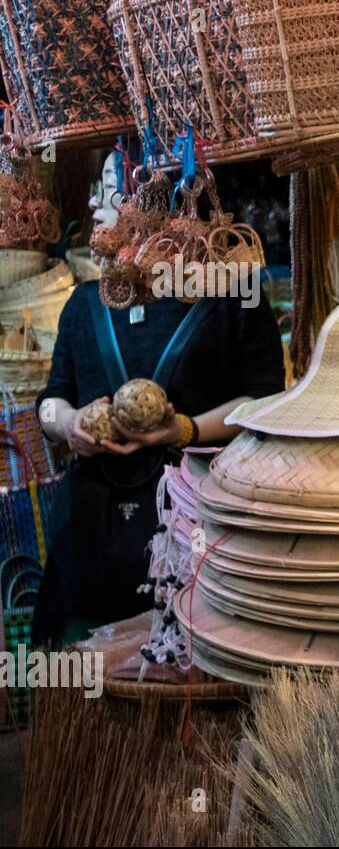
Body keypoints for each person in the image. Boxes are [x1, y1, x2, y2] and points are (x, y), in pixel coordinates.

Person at [33, 153, 286, 646]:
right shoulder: (84, 303)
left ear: (148, 197)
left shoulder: (235, 295)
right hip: (93, 536)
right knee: (93, 684)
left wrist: (182, 430)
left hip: (195, 531)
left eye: (107, 187)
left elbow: (265, 405)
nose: (90, 200)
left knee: (184, 672)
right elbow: (50, 401)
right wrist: (68, 424)